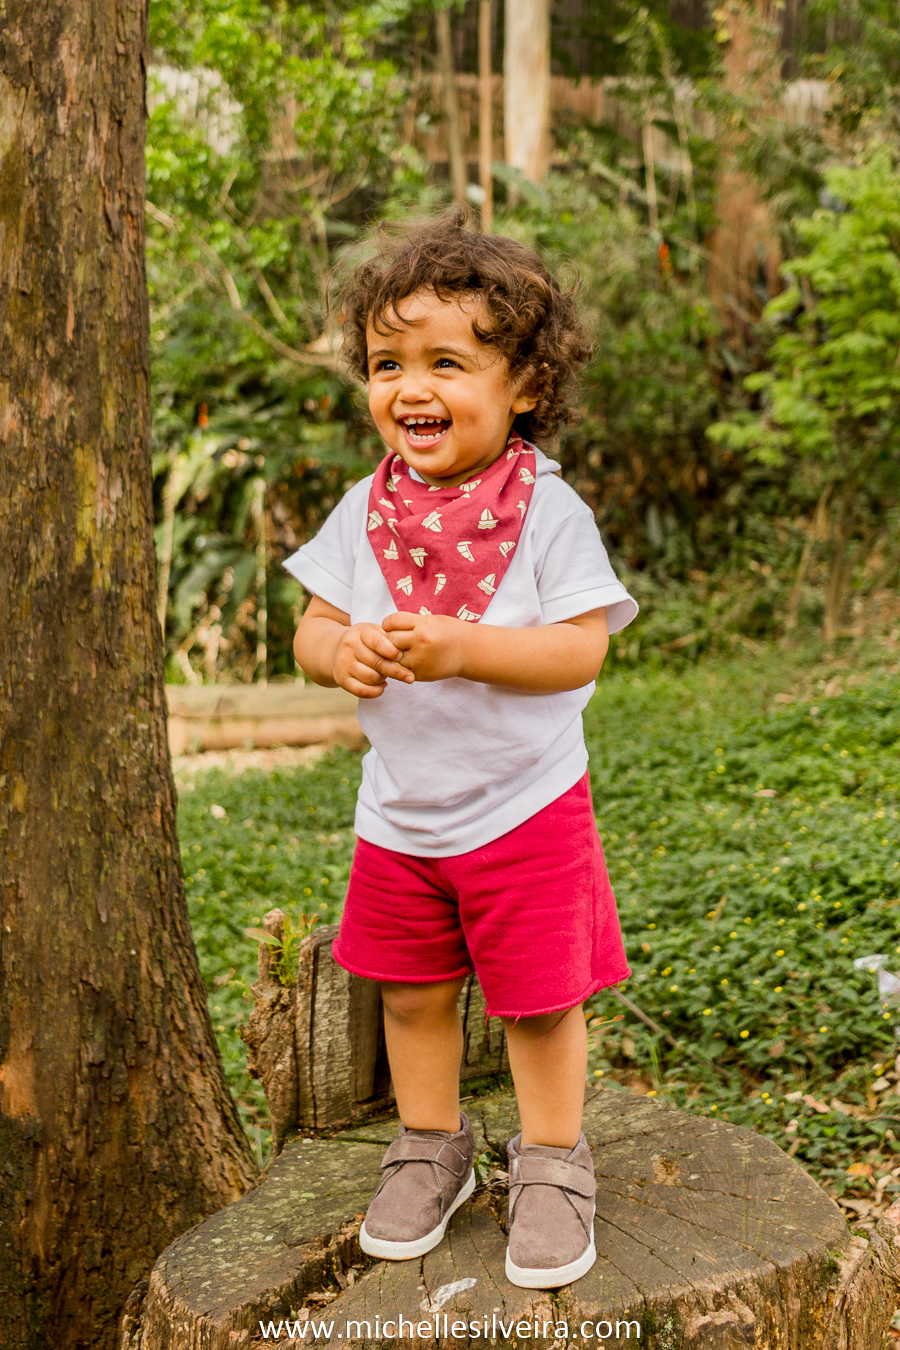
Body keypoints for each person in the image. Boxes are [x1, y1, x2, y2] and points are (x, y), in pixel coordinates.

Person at [285, 210, 637, 1289]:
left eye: (447, 362)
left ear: (524, 383)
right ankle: (432, 1143)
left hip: (525, 807)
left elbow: (580, 651)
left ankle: (552, 1159)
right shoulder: (366, 508)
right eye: (388, 364)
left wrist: (464, 648)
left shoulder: (548, 512)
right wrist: (338, 652)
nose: (411, 387)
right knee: (410, 993)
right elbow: (309, 631)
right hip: (400, 813)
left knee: (538, 1000)